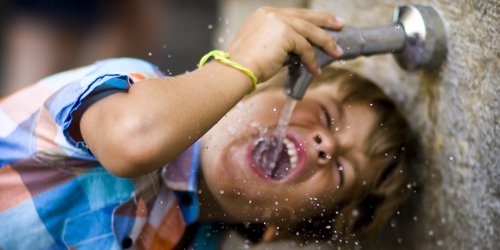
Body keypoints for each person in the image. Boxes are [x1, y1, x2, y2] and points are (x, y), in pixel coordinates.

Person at [0, 6, 413, 249]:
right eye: (324, 115)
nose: (325, 145)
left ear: (282, 228)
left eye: (341, 171)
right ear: (256, 91)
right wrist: (244, 62)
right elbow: (131, 141)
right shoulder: (133, 87)